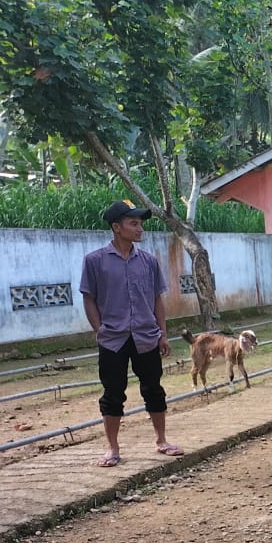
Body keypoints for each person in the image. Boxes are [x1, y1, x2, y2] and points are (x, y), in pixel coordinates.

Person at [79, 199, 182, 467]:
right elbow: (88, 298)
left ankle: (161, 441)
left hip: (146, 336)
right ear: (116, 227)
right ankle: (112, 448)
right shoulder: (95, 262)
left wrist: (163, 334)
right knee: (113, 393)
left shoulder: (148, 261)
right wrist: (99, 329)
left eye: (140, 224)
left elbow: (157, 300)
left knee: (154, 389)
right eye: (133, 223)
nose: (140, 229)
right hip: (113, 338)